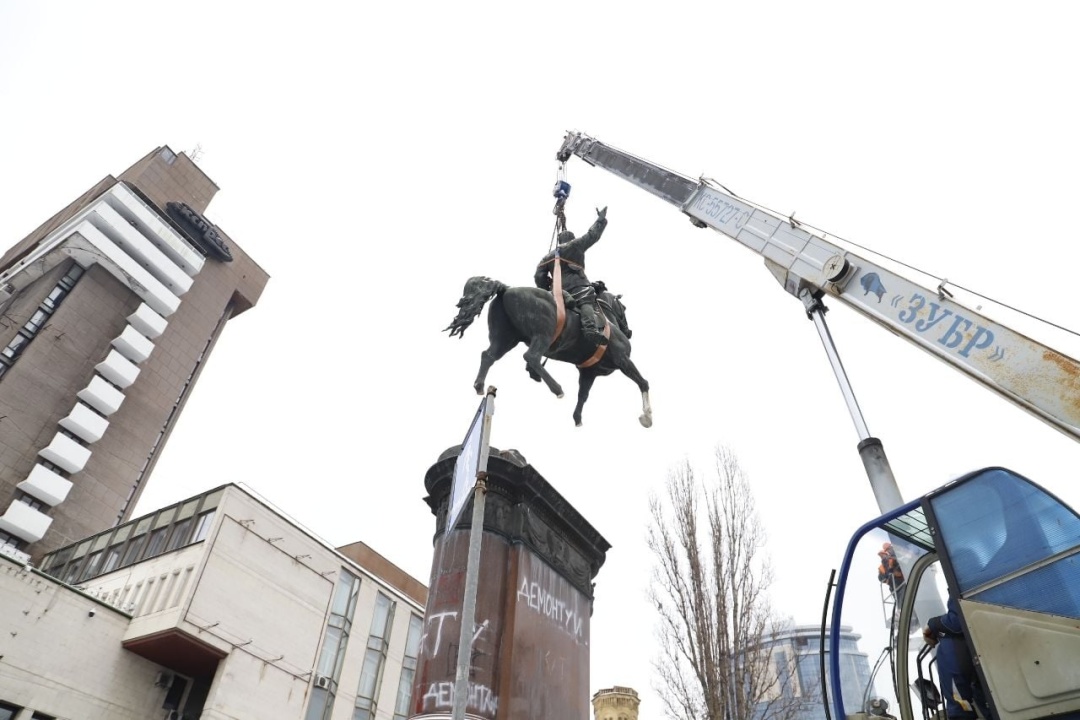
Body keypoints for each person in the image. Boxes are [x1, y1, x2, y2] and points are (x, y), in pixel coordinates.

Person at [534, 206, 609, 346]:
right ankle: (590, 329)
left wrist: (547, 288)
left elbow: (538, 276)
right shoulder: (575, 245)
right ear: (572, 238)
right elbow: (592, 235)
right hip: (576, 286)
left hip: (558, 290)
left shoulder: (548, 256)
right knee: (586, 297)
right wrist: (601, 220)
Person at [923, 597, 988, 720]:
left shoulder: (961, 585)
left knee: (948, 643)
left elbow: (958, 621)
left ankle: (960, 710)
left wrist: (933, 625)